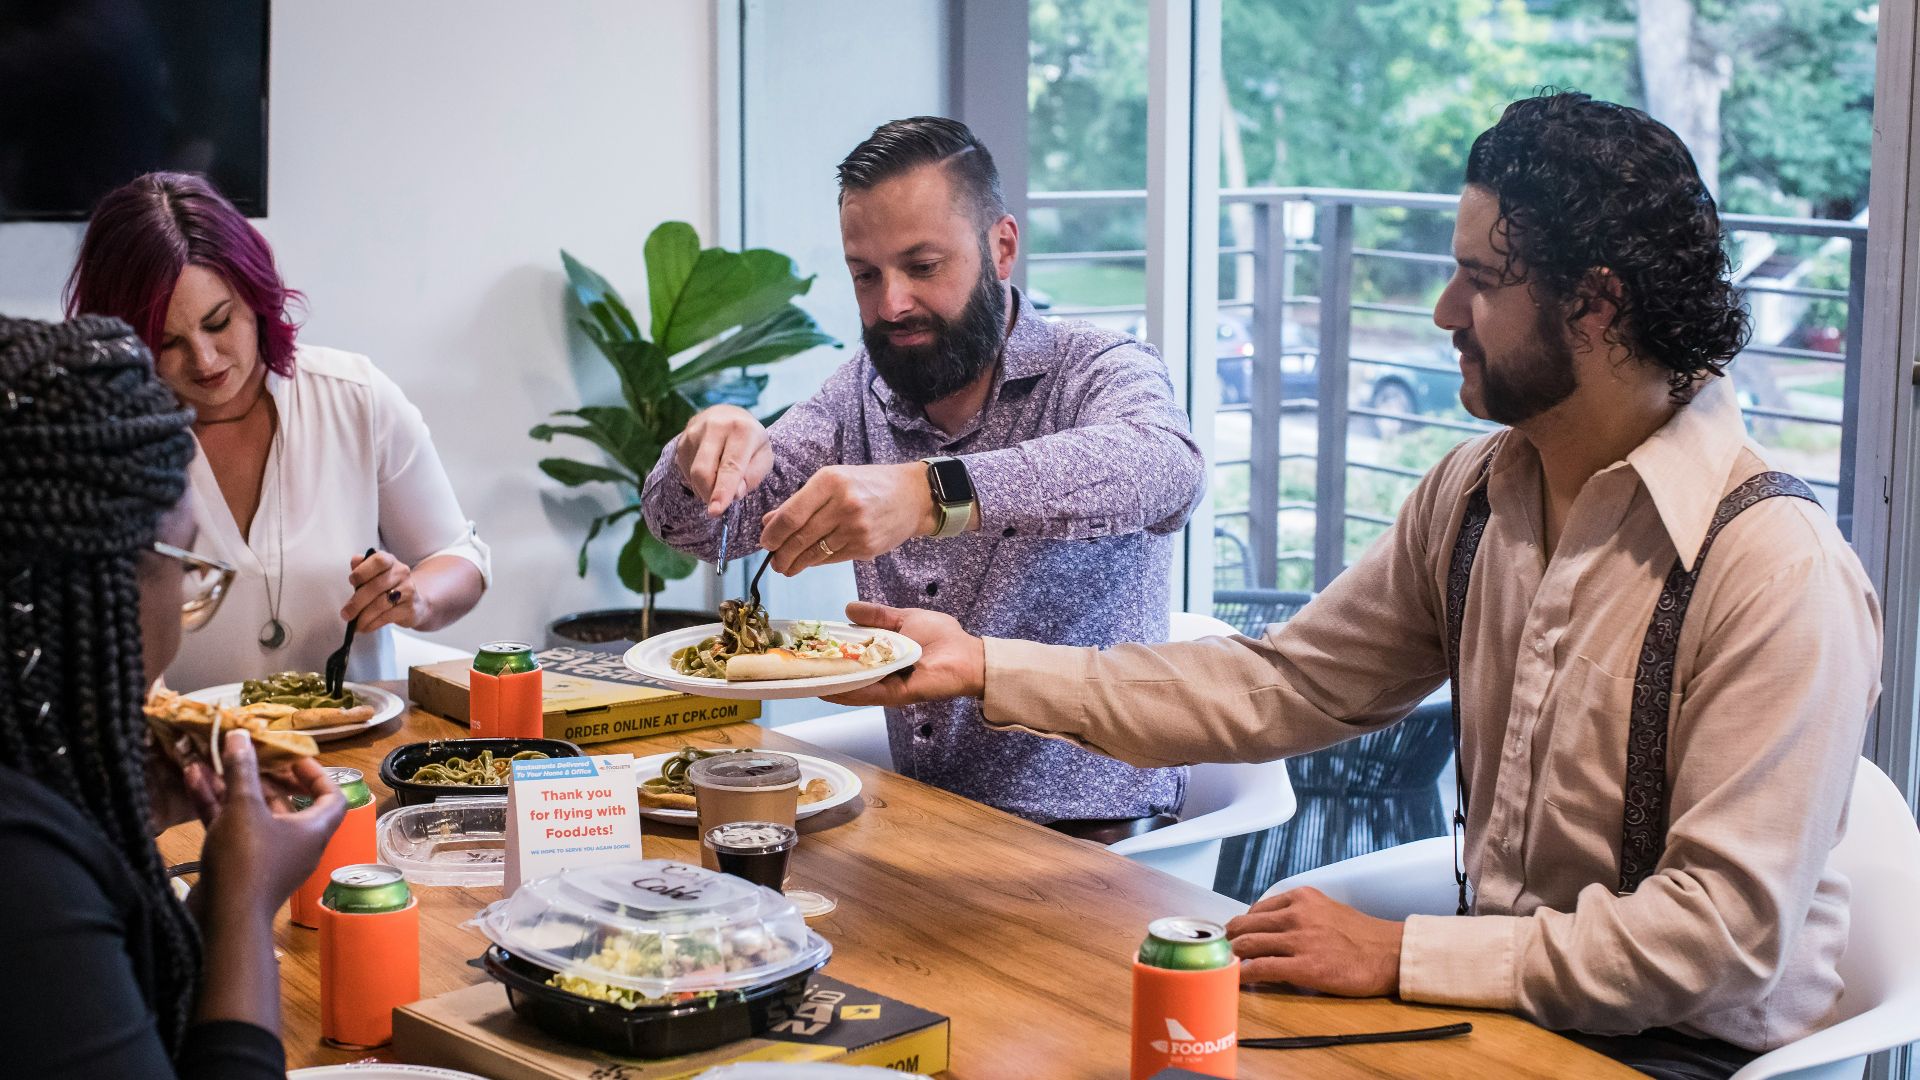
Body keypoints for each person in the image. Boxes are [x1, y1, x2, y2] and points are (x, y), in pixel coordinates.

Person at [830, 93, 1881, 1079]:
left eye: (1480, 280)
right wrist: (981, 665)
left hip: (1686, 1055)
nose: (1442, 309)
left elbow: (1720, 939)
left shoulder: (1775, 570)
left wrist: (1402, 953)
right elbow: (1280, 687)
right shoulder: (1475, 495)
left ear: (1595, 304)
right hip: (1504, 1017)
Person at [641, 117, 1206, 836]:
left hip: (1097, 834)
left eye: (923, 266)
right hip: (926, 818)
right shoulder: (859, 396)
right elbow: (698, 529)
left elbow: (1165, 467)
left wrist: (930, 494)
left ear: (1001, 247)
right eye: (866, 274)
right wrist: (701, 456)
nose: (891, 304)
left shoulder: (1095, 367)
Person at [0, 313, 347, 1078]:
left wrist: (113, 843)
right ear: (96, 586)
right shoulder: (21, 879)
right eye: (186, 565)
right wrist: (243, 904)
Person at [65, 172, 490, 691]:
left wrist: (414, 598)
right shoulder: (103, 440)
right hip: (185, 756)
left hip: (350, 746)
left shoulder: (352, 396)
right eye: (167, 342)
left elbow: (458, 557)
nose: (204, 360)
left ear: (257, 297)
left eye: (219, 323)